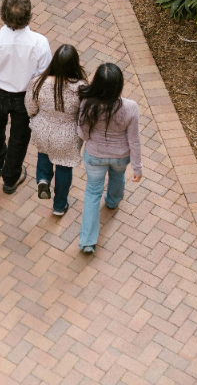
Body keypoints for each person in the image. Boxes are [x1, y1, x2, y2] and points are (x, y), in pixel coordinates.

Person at [0, 0, 52, 194]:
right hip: (25, 98)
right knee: (19, 138)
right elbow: (45, 76)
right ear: (29, 16)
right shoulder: (40, 43)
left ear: (2, 14)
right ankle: (10, 178)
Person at [76, 63, 143, 254]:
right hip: (120, 157)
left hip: (95, 156)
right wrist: (137, 168)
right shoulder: (131, 108)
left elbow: (83, 133)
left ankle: (88, 241)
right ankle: (113, 201)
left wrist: (93, 140)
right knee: (117, 177)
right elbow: (134, 140)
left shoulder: (87, 104)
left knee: (92, 193)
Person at [26, 44, 86, 216]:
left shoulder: (38, 82)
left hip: (42, 129)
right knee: (64, 167)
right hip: (67, 135)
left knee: (44, 152)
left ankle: (43, 180)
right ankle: (59, 206)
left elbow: (30, 108)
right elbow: (83, 115)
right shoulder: (81, 87)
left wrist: (38, 119)